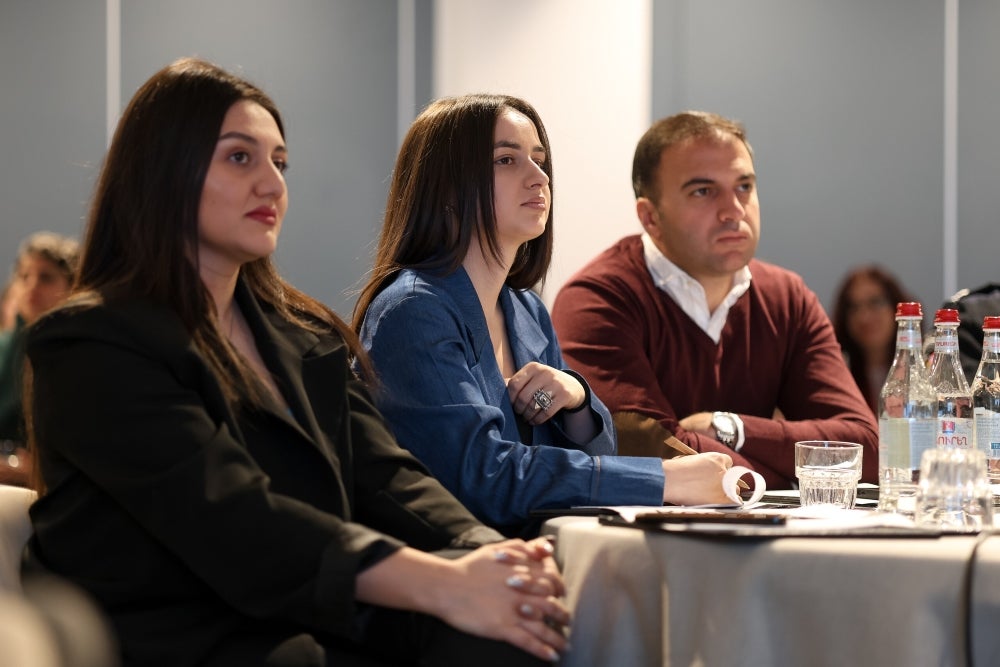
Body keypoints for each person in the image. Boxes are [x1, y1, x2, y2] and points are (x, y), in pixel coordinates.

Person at [23, 58, 570, 667]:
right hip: (176, 633)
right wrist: (440, 581)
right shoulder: (90, 342)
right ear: (162, 173)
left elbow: (388, 477)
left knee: (510, 629)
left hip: (310, 615)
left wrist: (486, 554)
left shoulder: (303, 337)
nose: (272, 184)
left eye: (279, 163)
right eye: (240, 158)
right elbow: (232, 517)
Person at [351, 94, 734, 537]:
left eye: (539, 159)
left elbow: (596, 454)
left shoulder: (526, 308)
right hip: (454, 574)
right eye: (506, 160)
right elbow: (485, 478)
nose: (539, 177)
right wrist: (666, 479)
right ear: (447, 185)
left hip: (538, 556)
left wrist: (576, 400)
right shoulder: (413, 311)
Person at [550, 110, 879, 489]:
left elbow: (864, 450)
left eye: (744, 187)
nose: (734, 211)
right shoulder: (599, 298)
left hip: (759, 537)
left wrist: (730, 428)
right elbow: (643, 449)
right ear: (651, 217)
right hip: (646, 540)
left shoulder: (788, 298)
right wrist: (788, 476)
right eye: (703, 191)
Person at [0, 232, 79, 487]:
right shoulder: (6, 348)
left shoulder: (78, 354)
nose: (32, 286)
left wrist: (38, 471)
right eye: (24, 277)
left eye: (46, 277)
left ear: (72, 286)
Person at [831, 265, 915, 415]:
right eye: (854, 307)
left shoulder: (922, 370)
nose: (864, 317)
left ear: (896, 307)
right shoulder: (836, 372)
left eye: (875, 302)